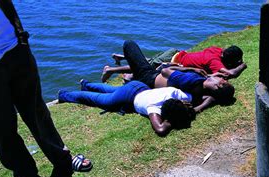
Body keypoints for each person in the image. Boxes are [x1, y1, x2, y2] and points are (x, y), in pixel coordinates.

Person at [0, 0, 92, 177]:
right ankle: (23, 172)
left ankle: (62, 159)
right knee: (1, 126)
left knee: (37, 112)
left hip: (15, 50)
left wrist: (21, 38)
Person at [120, 40, 235, 113]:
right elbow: (208, 96)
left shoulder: (191, 80)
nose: (223, 78)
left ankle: (131, 77)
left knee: (129, 44)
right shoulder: (204, 93)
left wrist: (191, 69)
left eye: (223, 80)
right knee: (141, 63)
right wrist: (210, 75)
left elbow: (165, 71)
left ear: (218, 86)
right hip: (153, 83)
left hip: (149, 77)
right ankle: (130, 77)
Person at [58, 80, 196, 136]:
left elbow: (192, 100)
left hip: (138, 86)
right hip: (127, 97)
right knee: (99, 99)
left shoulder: (174, 93)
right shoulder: (154, 108)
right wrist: (173, 121)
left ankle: (87, 84)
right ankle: (64, 95)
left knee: (112, 90)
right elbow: (160, 129)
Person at [102, 43, 247, 82]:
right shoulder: (215, 61)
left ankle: (121, 57)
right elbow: (228, 74)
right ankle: (110, 70)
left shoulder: (216, 50)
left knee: (148, 61)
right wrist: (242, 65)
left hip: (176, 52)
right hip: (171, 60)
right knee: (142, 67)